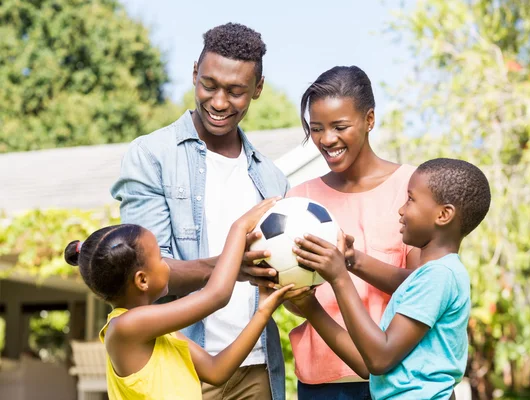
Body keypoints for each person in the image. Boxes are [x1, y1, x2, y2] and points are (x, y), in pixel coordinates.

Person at [110, 23, 289, 400]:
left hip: (256, 365)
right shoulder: (151, 156)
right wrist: (230, 267)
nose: (220, 102)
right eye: (209, 85)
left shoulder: (272, 178)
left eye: (236, 91)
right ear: (194, 73)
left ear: (257, 89)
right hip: (181, 364)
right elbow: (147, 272)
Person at [64, 198, 309, 399]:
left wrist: (263, 311)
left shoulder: (160, 331)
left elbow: (216, 371)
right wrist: (238, 228)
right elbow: (216, 296)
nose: (167, 264)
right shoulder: (125, 327)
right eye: (160, 258)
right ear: (142, 280)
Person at [290, 158, 492, 399]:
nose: (401, 209)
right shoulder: (429, 276)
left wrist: (339, 278)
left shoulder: (439, 276)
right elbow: (367, 363)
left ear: (443, 214)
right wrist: (309, 304)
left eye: (411, 199)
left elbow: (378, 358)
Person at [280, 65, 420, 399]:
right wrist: (289, 293)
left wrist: (351, 262)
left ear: (369, 120)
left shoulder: (412, 188)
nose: (327, 140)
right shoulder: (299, 199)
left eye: (340, 127)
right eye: (316, 129)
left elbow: (423, 287)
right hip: (322, 385)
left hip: (400, 381)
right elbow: (297, 302)